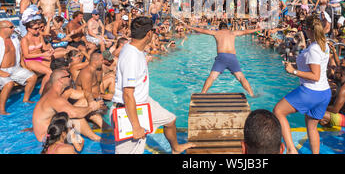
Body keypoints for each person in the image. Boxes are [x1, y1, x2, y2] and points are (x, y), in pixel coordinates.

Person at [111, 17, 193, 154]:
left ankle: (175, 148)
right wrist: (136, 126)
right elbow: (127, 94)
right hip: (128, 108)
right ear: (149, 34)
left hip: (143, 101)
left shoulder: (131, 48)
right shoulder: (132, 57)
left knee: (170, 120)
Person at [273, 15, 331, 154]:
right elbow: (315, 67)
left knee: (278, 111)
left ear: (308, 29)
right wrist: (295, 63)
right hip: (324, 93)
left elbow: (315, 76)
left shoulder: (314, 49)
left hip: (311, 92)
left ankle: (292, 150)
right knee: (311, 128)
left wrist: (293, 71)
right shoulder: (323, 45)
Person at [182, 20, 262, 97]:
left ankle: (203, 93)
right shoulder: (232, 33)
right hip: (232, 57)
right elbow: (245, 32)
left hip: (222, 57)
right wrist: (257, 29)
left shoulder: (217, 32)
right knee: (241, 77)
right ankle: (252, 94)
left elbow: (202, 30)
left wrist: (190, 27)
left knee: (212, 77)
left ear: (219, 28)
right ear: (227, 27)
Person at [32, 69, 103, 142]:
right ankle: (94, 137)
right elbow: (74, 113)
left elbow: (86, 93)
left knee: (84, 102)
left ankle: (104, 127)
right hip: (48, 137)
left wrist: (91, 102)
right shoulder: (54, 98)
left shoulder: (64, 91)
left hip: (57, 126)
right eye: (68, 76)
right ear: (61, 80)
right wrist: (92, 108)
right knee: (73, 116)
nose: (71, 78)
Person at [0, 20, 37, 115]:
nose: (14, 29)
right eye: (11, 27)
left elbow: (20, 53)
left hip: (15, 68)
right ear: (3, 29)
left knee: (33, 77)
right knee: (9, 84)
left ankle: (25, 100)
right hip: (1, 70)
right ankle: (1, 109)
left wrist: (24, 66)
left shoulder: (14, 38)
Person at [21, 20, 54, 95]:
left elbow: (44, 47)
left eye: (38, 28)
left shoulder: (39, 36)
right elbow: (26, 55)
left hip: (40, 57)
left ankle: (50, 87)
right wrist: (43, 55)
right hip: (30, 60)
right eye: (35, 28)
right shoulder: (24, 39)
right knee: (49, 72)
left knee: (55, 67)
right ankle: (42, 91)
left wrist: (49, 49)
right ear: (29, 29)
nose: (38, 30)